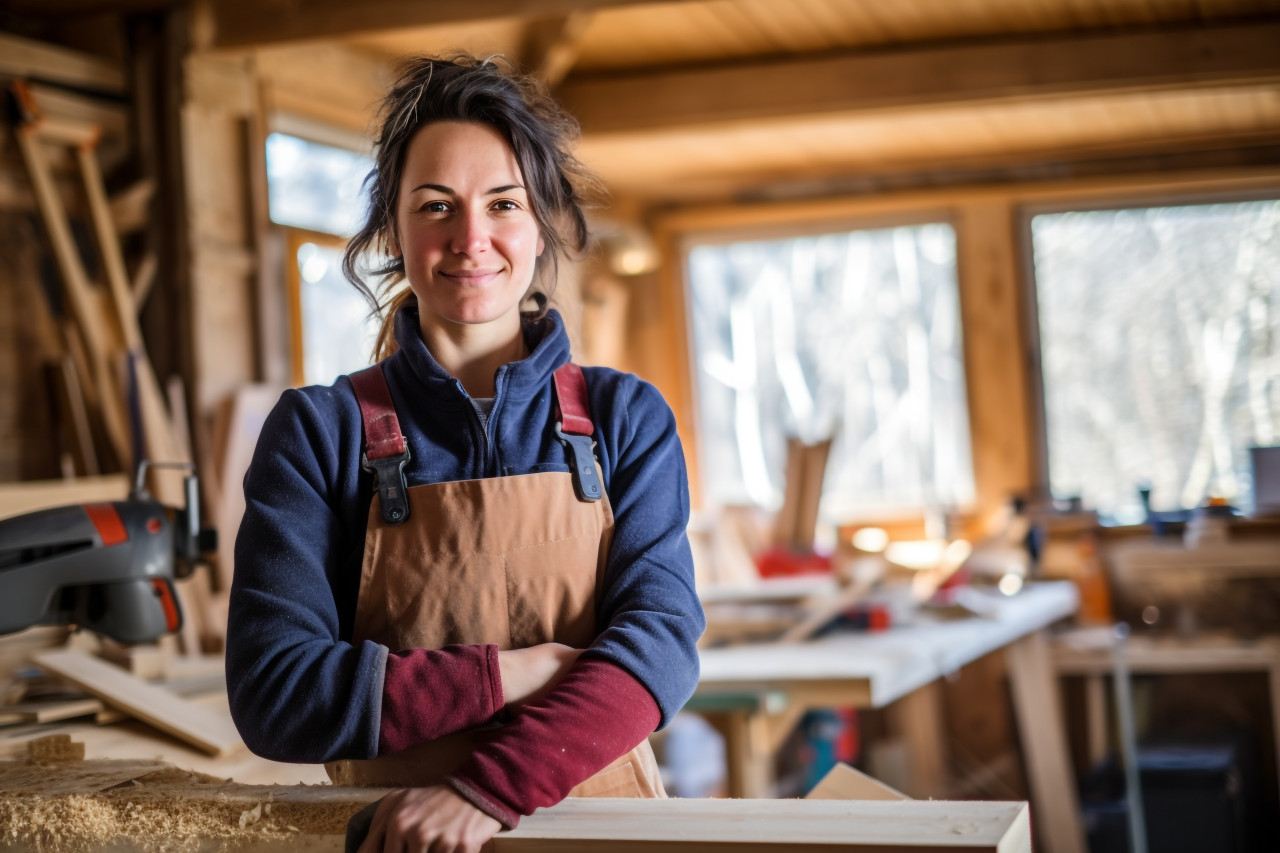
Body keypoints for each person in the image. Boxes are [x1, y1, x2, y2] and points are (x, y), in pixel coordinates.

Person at [226, 55, 704, 853]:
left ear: (542, 220)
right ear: (392, 227)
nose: (470, 238)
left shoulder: (624, 417)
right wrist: (511, 673)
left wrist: (483, 790)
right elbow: (275, 692)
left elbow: (658, 649)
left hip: (607, 837)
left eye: (503, 203)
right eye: (435, 205)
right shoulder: (321, 432)